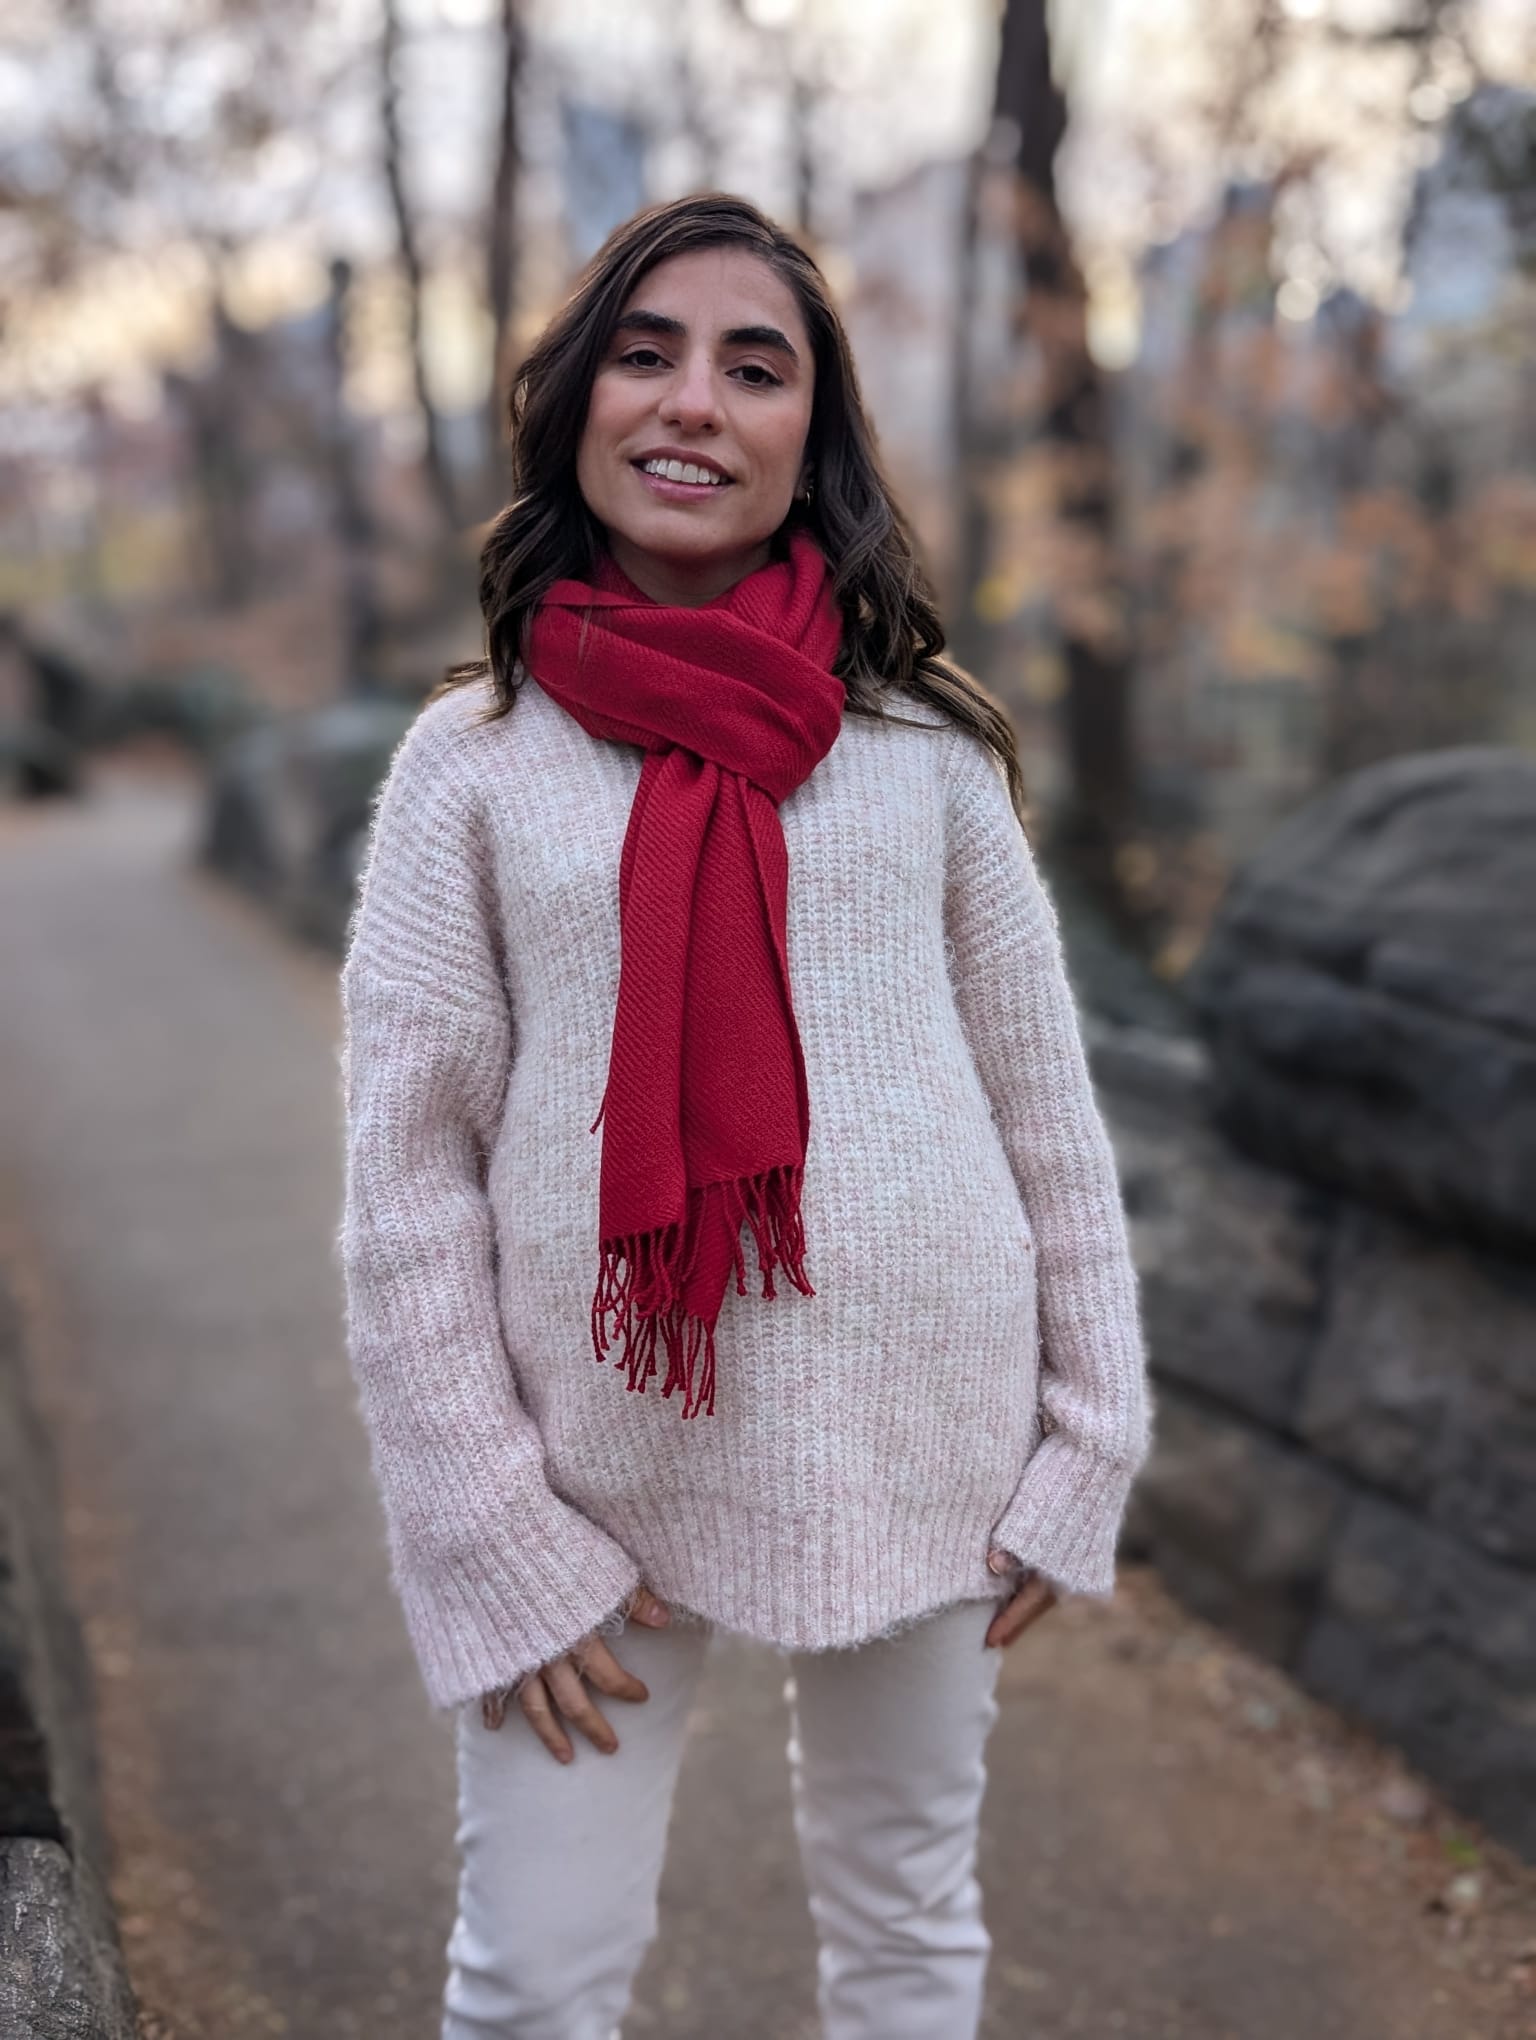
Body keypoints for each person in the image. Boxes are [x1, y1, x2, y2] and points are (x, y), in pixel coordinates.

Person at [338, 190, 1153, 2040]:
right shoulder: (468, 771)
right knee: (535, 1978)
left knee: (906, 1937)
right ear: (578, 409)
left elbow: (1046, 1114)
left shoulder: (927, 761)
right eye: (647, 353)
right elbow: (409, 1191)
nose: (694, 400)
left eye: (754, 365)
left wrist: (1085, 1434)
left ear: (814, 439)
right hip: (583, 1476)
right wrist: (486, 1527)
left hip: (932, 1442)